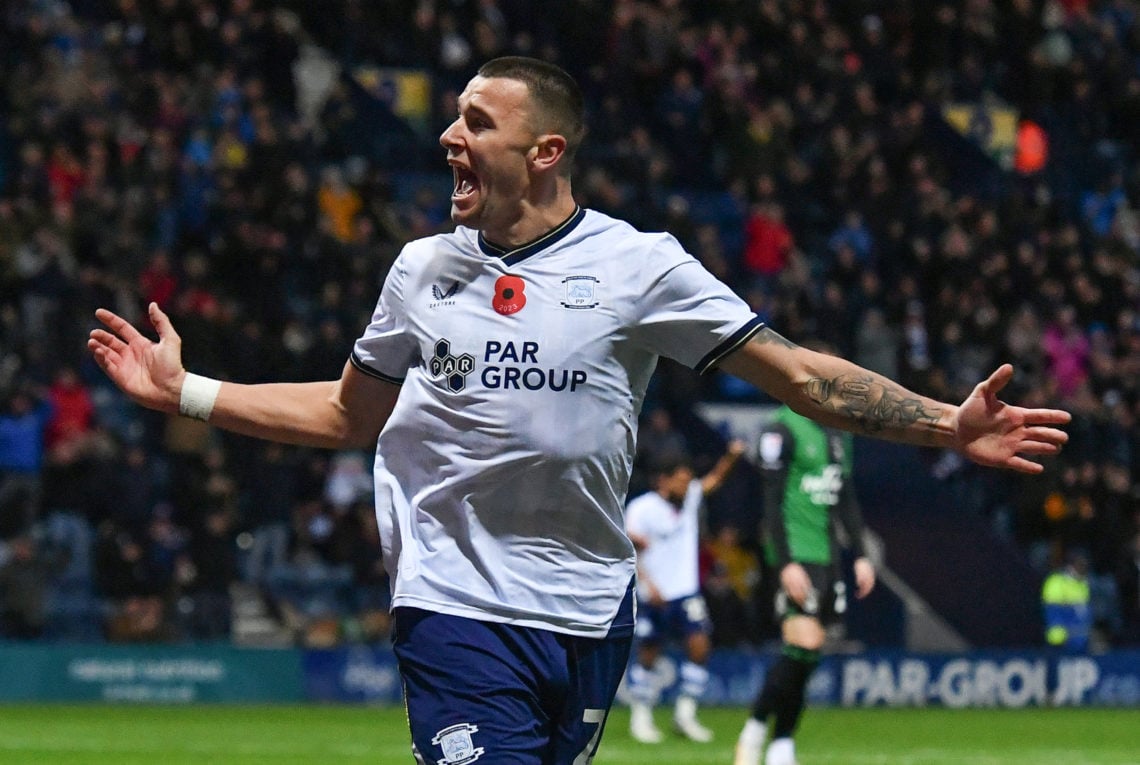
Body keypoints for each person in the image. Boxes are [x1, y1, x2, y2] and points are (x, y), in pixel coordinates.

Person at [88, 56, 1071, 765]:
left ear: (546, 150)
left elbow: (803, 379)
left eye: (477, 121)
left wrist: (949, 423)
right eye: (455, 119)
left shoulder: (641, 267)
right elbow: (352, 416)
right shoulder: (422, 272)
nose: (449, 138)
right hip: (456, 604)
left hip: (591, 613)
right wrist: (188, 391)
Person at [734, 396, 876, 765]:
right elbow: (770, 500)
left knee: (809, 654)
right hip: (794, 554)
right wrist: (784, 563)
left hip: (826, 556)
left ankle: (781, 742)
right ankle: (755, 730)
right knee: (804, 641)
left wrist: (860, 554)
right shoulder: (781, 428)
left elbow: (845, 497)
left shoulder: (837, 434)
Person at [624, 440, 746, 744]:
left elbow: (714, 480)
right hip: (654, 594)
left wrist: (730, 456)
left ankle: (685, 714)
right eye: (681, 478)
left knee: (700, 646)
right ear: (663, 480)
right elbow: (627, 550)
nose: (687, 483)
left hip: (686, 591)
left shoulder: (690, 497)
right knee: (649, 653)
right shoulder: (641, 508)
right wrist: (648, 585)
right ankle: (642, 716)